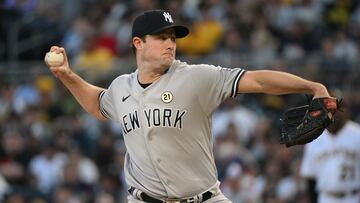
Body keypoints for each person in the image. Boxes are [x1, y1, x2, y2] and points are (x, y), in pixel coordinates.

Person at [45, 9, 335, 203]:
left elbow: (256, 80)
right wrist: (67, 76)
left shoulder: (196, 77)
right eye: (161, 38)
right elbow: (98, 103)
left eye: (173, 38)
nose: (170, 44)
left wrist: (311, 87)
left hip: (204, 198)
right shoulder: (121, 87)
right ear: (138, 43)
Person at [300, 98, 360, 203]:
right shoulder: (314, 137)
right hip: (326, 198)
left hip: (353, 197)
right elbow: (310, 178)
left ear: (346, 111)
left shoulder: (357, 134)